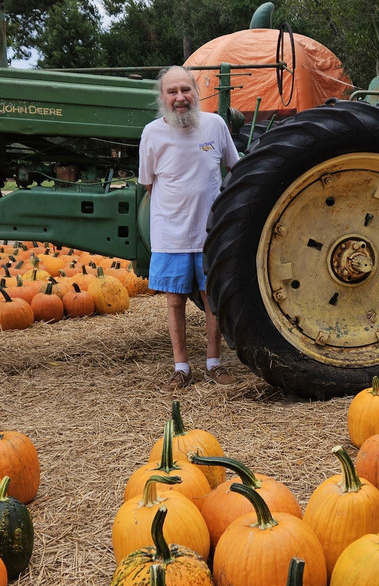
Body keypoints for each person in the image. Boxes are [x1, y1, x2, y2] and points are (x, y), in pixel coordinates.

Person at [138, 66, 240, 393]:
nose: (180, 98)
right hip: (171, 234)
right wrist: (175, 213)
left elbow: (234, 170)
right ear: (163, 98)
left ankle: (214, 363)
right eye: (172, 92)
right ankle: (181, 368)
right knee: (174, 301)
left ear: (196, 92)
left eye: (186, 90)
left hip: (211, 234)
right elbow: (149, 184)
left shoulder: (216, 125)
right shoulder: (152, 134)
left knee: (214, 300)